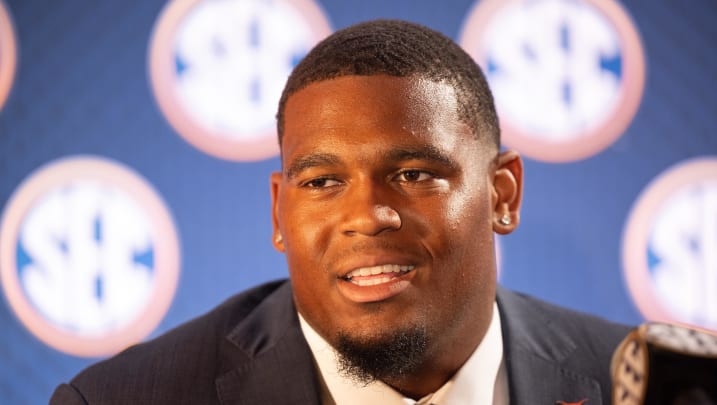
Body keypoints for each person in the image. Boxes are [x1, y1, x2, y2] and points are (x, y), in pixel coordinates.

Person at [50, 19, 631, 404]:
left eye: (414, 175)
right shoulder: (123, 399)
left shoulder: (654, 384)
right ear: (279, 213)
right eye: (323, 181)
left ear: (502, 194)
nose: (368, 215)